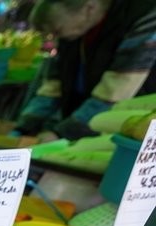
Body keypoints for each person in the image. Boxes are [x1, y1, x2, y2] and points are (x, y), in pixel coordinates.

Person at [13, 0, 156, 141]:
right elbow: (53, 87)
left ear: (89, 8)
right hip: (88, 121)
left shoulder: (142, 15)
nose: (54, 38)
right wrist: (23, 127)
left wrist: (61, 133)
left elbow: (115, 93)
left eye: (57, 31)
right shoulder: (73, 32)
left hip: (134, 125)